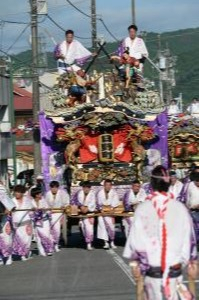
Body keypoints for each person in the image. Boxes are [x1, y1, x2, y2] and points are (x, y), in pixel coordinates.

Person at [123, 165, 198, 300]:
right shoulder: (179, 208)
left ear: (151, 184)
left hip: (152, 272)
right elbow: (189, 240)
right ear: (168, 183)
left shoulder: (143, 208)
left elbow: (135, 242)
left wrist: (135, 264)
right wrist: (193, 261)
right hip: (174, 271)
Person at [45, 181, 70, 252]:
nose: (54, 189)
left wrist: (64, 206)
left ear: (58, 187)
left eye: (55, 187)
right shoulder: (47, 194)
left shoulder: (63, 193)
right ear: (50, 187)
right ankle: (51, 244)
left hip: (59, 213)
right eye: (52, 187)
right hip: (50, 213)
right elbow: (45, 204)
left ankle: (56, 244)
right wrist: (49, 211)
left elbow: (67, 202)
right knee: (50, 231)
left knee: (57, 230)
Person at [96, 179, 120, 249]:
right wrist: (102, 210)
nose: (108, 187)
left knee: (111, 225)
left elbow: (115, 203)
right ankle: (105, 242)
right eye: (106, 185)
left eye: (109, 185)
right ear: (104, 185)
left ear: (111, 186)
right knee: (101, 223)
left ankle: (112, 241)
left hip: (110, 212)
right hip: (102, 212)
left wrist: (111, 208)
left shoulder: (114, 193)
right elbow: (98, 204)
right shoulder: (100, 193)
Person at [31, 188, 54, 257]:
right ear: (36, 195)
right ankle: (41, 251)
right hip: (37, 222)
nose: (41, 195)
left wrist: (45, 210)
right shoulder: (31, 202)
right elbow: (30, 213)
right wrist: (33, 210)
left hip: (45, 220)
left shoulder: (44, 201)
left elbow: (49, 210)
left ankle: (49, 250)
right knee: (38, 237)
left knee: (46, 235)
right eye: (39, 194)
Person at [12, 185, 33, 261]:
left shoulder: (27, 200)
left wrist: (32, 211)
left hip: (27, 222)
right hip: (17, 222)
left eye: (18, 192)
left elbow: (31, 210)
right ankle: (22, 254)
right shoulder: (12, 200)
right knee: (20, 239)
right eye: (16, 192)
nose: (17, 193)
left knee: (27, 239)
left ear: (22, 193)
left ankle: (27, 252)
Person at [74, 182, 96, 250]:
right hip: (81, 213)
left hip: (89, 213)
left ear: (90, 188)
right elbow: (75, 200)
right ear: (83, 188)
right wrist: (81, 206)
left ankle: (89, 243)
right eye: (84, 188)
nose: (86, 189)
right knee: (84, 228)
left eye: (88, 188)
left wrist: (87, 208)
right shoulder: (79, 193)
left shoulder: (92, 194)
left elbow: (93, 203)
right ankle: (86, 240)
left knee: (89, 228)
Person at [0, 191, 15, 265]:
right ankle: (0, 257)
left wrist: (8, 209)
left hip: (4, 219)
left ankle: (9, 256)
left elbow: (12, 206)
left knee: (6, 239)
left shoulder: (1, 193)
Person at [186, 172, 199, 244]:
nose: (197, 183)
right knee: (194, 230)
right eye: (195, 181)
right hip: (193, 211)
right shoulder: (190, 186)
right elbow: (187, 199)